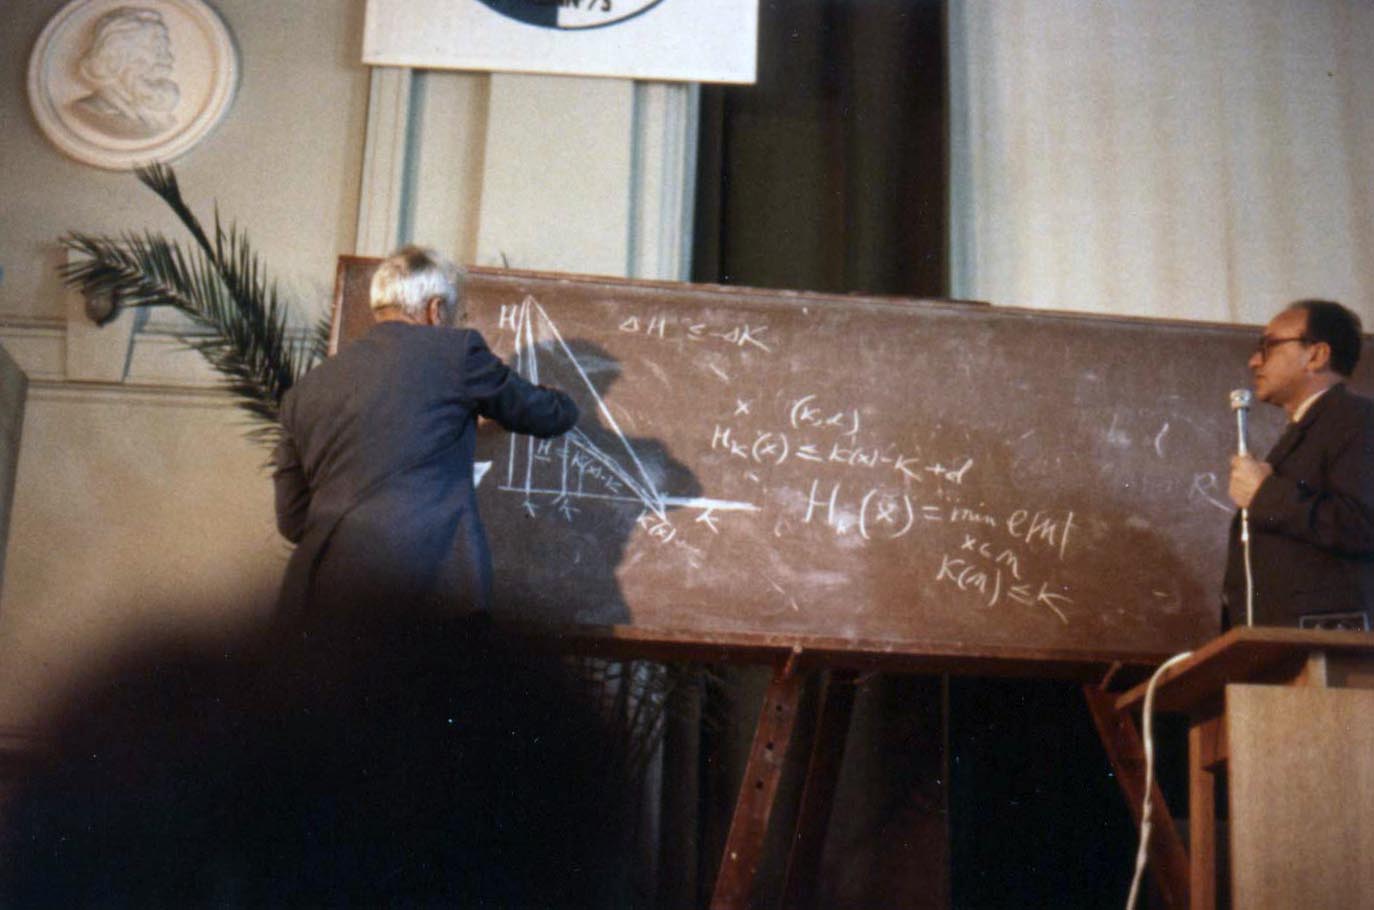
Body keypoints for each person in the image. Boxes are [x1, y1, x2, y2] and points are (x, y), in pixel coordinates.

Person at [272, 245, 579, 616]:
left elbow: (292, 520)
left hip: (320, 599)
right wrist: (568, 402)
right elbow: (543, 415)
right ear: (436, 310)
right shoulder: (455, 352)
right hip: (427, 590)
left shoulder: (304, 391)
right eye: (456, 314)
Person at [1223, 299, 1374, 628]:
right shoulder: (1312, 427)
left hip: (1330, 649)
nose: (1253, 361)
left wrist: (1264, 495)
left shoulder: (1360, 420)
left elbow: (1363, 525)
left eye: (1269, 346)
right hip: (1279, 643)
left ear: (1317, 355)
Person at [69, 7, 180, 139]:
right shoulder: (94, 110)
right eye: (157, 49)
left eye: (165, 49)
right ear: (118, 55)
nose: (168, 58)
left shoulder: (156, 117)